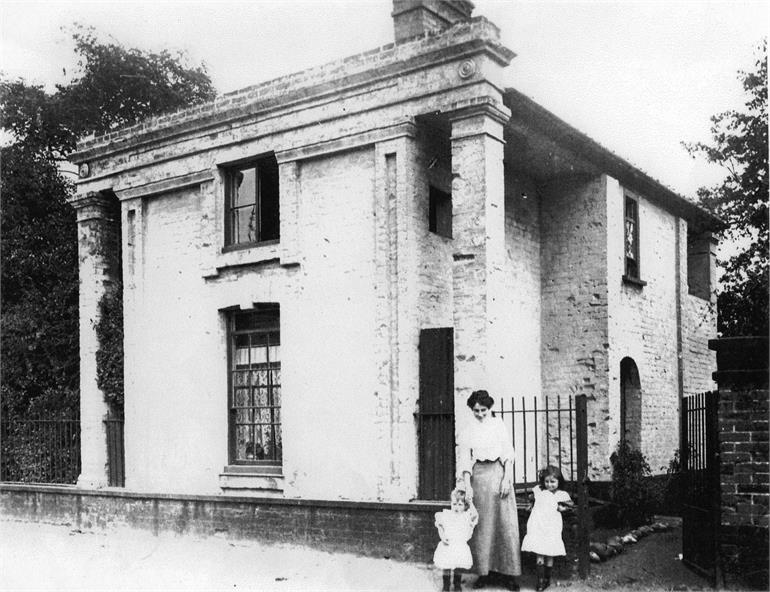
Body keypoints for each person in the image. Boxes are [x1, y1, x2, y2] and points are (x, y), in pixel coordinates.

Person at [457, 390, 521, 591]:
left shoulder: (498, 424)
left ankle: (509, 574)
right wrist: (467, 485)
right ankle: (484, 572)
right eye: (476, 410)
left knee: (505, 525)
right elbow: (465, 459)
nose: (480, 414)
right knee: (483, 527)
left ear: (489, 408)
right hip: (479, 477)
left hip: (498, 473)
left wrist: (507, 478)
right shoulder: (468, 429)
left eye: (483, 410)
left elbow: (507, 452)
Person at [521, 465, 574, 591]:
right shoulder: (539, 491)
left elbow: (569, 506)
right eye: (547, 481)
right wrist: (530, 505)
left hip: (551, 526)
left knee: (550, 552)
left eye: (553, 482)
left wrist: (563, 508)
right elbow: (532, 500)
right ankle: (540, 581)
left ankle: (547, 579)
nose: (549, 484)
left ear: (559, 481)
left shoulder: (561, 494)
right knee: (540, 551)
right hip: (538, 525)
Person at [433, 488, 478, 591]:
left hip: (460, 545)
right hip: (448, 544)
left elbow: (475, 515)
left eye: (460, 504)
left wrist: (470, 502)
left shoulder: (466, 516)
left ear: (465, 506)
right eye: (454, 504)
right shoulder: (447, 515)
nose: (456, 507)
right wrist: (443, 537)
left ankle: (457, 585)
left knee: (458, 566)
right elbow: (440, 527)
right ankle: (446, 586)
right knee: (447, 566)